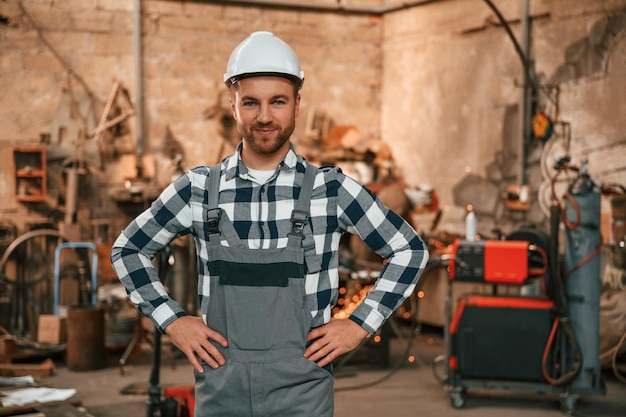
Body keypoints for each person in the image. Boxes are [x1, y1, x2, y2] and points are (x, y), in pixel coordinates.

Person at [110, 31, 429, 417]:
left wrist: (360, 324)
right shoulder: (198, 190)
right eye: (250, 102)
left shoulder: (329, 190)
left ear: (297, 103)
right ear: (233, 105)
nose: (264, 116)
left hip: (302, 392)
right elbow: (128, 249)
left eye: (277, 101)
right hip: (221, 387)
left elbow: (409, 249)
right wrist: (173, 321)